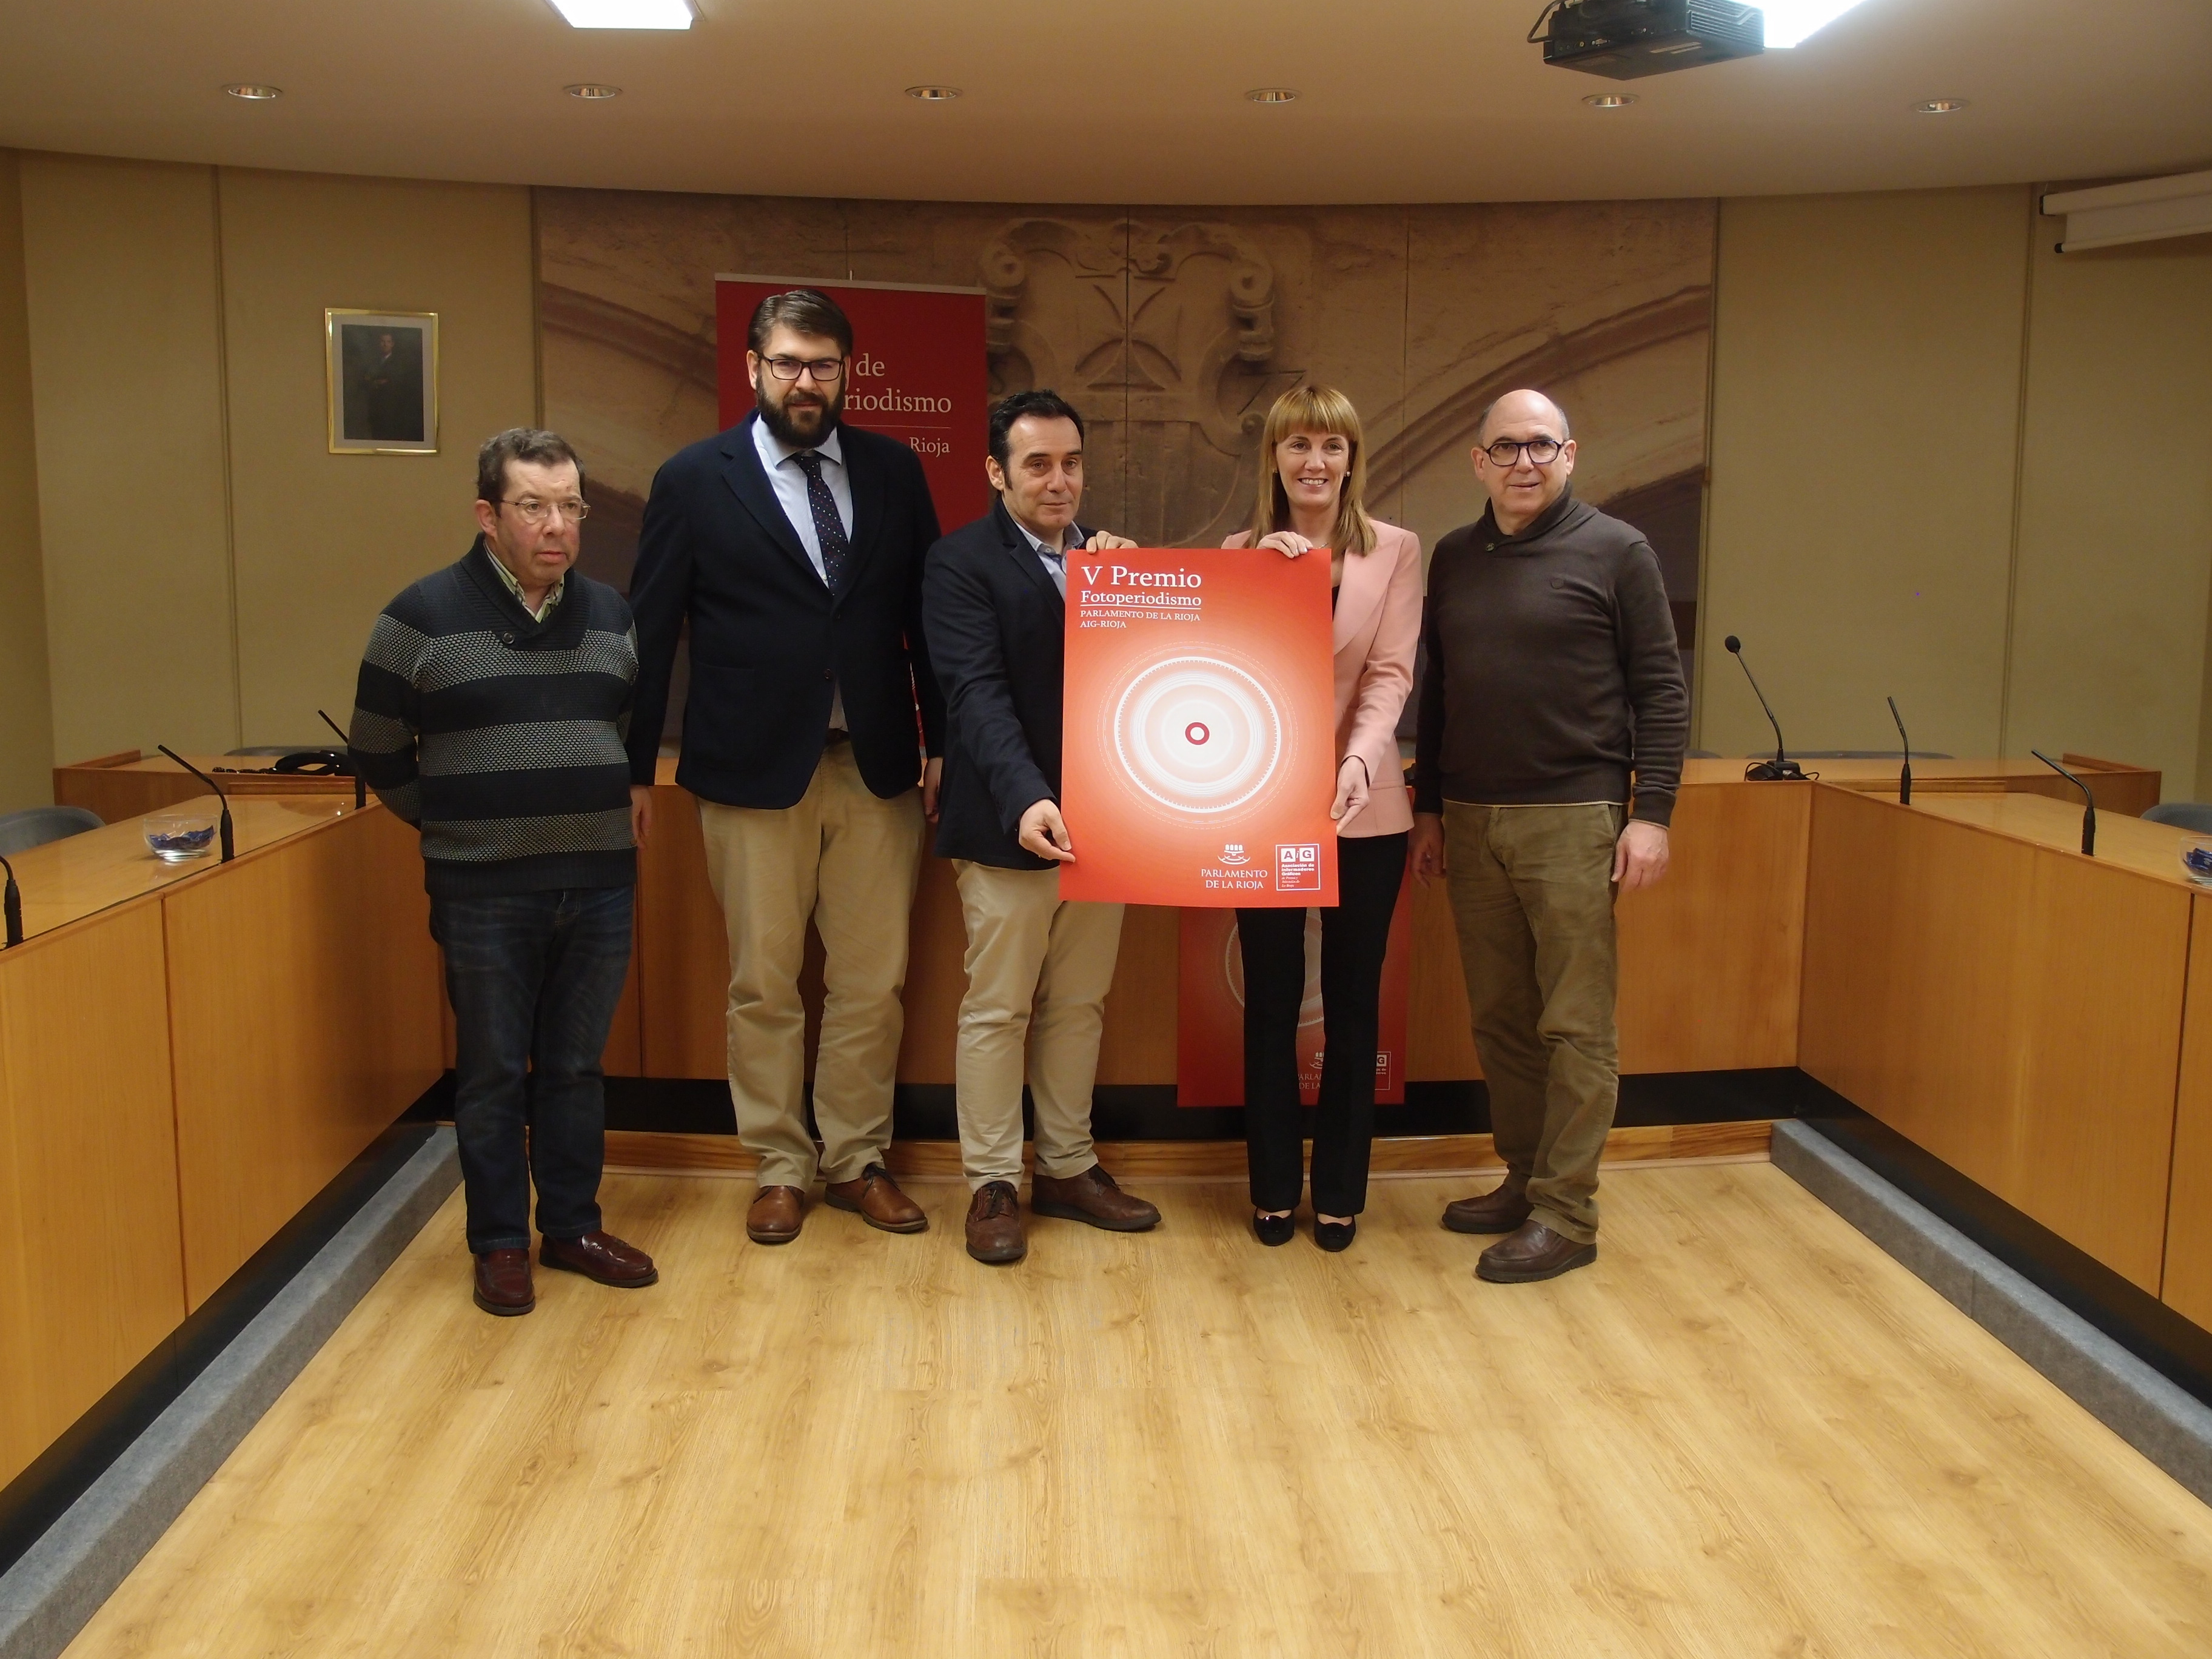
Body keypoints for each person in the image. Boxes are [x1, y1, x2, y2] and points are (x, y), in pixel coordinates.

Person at [626, 290, 943, 1247]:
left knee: (871, 980)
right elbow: (650, 628)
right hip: (750, 770)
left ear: (850, 372)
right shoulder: (693, 479)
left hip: (877, 767)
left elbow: (928, 619)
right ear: (753, 369)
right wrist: (632, 769)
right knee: (763, 983)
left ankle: (856, 1159)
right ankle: (777, 1162)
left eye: (825, 365)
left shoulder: (892, 471)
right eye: (789, 363)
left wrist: (944, 747)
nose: (807, 381)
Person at [349, 428, 658, 1316]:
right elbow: (376, 750)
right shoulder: (420, 617)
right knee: (491, 1072)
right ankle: (498, 1244)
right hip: (483, 890)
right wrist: (450, 822)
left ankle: (570, 1226)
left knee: (573, 1068)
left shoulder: (611, 613)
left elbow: (620, 726)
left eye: (571, 507)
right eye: (534, 506)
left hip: (599, 885)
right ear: (489, 515)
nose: (556, 526)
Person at [1410, 389, 1687, 1284]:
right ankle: (1524, 1179)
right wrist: (1429, 806)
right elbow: (1440, 695)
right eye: (1506, 447)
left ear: (1571, 453)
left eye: (1541, 445)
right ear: (1478, 461)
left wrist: (1653, 815)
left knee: (1574, 1024)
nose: (1524, 461)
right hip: (1473, 820)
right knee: (1502, 1019)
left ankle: (1568, 1213)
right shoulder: (1453, 557)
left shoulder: (1618, 551)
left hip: (1575, 820)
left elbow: (1663, 690)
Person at [922, 389, 1164, 1264]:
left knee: (1079, 1005)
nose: (1059, 481)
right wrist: (1028, 797)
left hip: (1109, 828)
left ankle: (1066, 1166)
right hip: (1007, 827)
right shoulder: (959, 564)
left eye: (1071, 463)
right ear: (996, 472)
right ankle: (992, 1181)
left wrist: (1134, 591)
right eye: (1037, 464)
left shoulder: (1110, 560)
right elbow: (976, 697)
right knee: (999, 1009)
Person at [1225, 386, 1422, 1252]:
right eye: (1298, 445)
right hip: (1263, 809)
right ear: (1273, 457)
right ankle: (1272, 1186)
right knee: (1269, 1002)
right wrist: (1268, 584)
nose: (1315, 462)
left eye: (1332, 447)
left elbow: (1389, 675)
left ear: (1353, 458)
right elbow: (1225, 678)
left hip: (1365, 808)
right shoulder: (1237, 553)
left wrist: (1357, 760)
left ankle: (1340, 1190)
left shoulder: (1398, 552)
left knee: (1352, 1003)